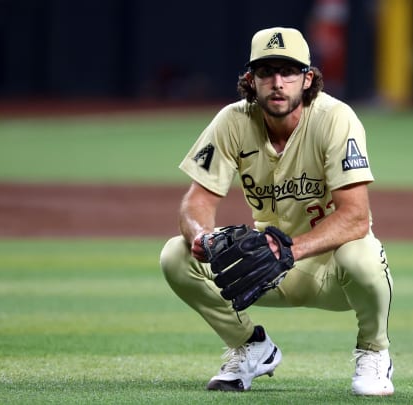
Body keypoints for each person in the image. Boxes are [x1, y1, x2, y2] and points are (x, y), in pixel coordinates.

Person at [159, 27, 394, 396]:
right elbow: (197, 201)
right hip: (269, 273)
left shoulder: (335, 118)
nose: (278, 82)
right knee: (175, 253)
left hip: (334, 274)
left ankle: (374, 350)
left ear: (308, 78)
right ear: (251, 80)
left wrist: (289, 250)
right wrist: (201, 235)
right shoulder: (232, 121)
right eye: (267, 72)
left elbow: (355, 216)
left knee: (362, 254)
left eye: (288, 70)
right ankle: (250, 346)